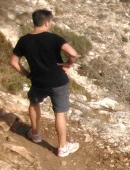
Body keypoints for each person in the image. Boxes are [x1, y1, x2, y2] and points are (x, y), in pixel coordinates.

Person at [9, 8, 79, 157]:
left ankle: (35, 134)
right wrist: (68, 64)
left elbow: (13, 62)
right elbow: (73, 53)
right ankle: (62, 147)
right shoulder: (54, 38)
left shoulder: (24, 40)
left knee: (34, 104)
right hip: (58, 81)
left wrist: (28, 74)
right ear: (47, 22)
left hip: (38, 81)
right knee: (60, 113)